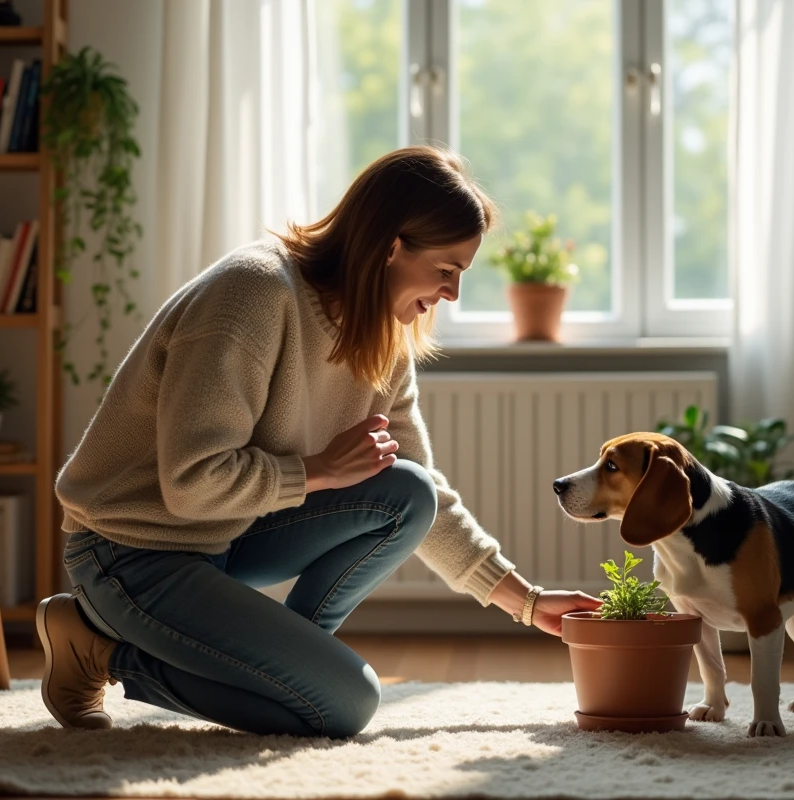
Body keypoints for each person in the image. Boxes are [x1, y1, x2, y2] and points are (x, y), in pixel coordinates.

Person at [37, 145, 603, 738]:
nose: (453, 294)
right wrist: (317, 472)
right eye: (446, 270)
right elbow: (189, 486)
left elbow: (420, 490)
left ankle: (290, 667)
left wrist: (528, 602)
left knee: (408, 492)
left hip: (226, 536)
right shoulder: (252, 294)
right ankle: (99, 649)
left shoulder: (384, 331)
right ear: (390, 245)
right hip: (131, 550)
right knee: (344, 706)